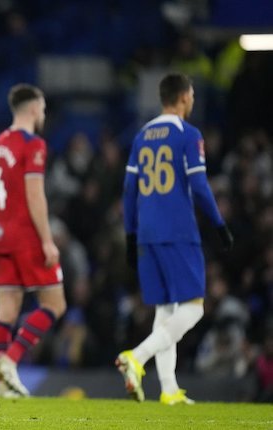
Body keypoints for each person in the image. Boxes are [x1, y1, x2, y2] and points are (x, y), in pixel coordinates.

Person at [117, 72, 234, 405]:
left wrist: (130, 235)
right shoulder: (188, 134)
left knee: (165, 309)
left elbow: (129, 190)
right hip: (178, 231)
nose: (193, 100)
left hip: (147, 234)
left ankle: (168, 388)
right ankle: (137, 356)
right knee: (194, 308)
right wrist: (219, 225)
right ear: (184, 97)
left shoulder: (141, 135)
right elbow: (198, 185)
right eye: (192, 94)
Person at [0, 83, 67, 397]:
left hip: (0, 233)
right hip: (25, 235)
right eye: (43, 109)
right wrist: (47, 240)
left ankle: (0, 385)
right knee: (55, 303)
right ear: (34, 108)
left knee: (7, 307)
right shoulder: (33, 144)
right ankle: (10, 360)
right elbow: (34, 194)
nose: (43, 114)